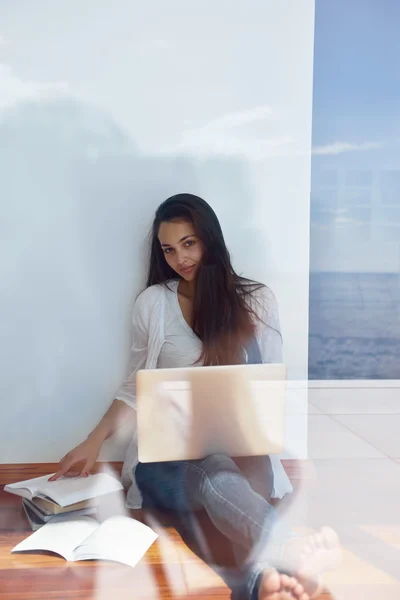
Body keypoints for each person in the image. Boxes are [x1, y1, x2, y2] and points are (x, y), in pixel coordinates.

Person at [50, 194, 339, 600]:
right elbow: (135, 386)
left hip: (242, 457)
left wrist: (300, 451)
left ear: (210, 240)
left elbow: (272, 387)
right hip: (166, 466)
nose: (180, 258)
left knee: (225, 484)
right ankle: (288, 548)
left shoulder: (256, 302)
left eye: (189, 243)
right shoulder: (153, 305)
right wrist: (94, 440)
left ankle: (262, 584)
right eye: (168, 249)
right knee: (217, 470)